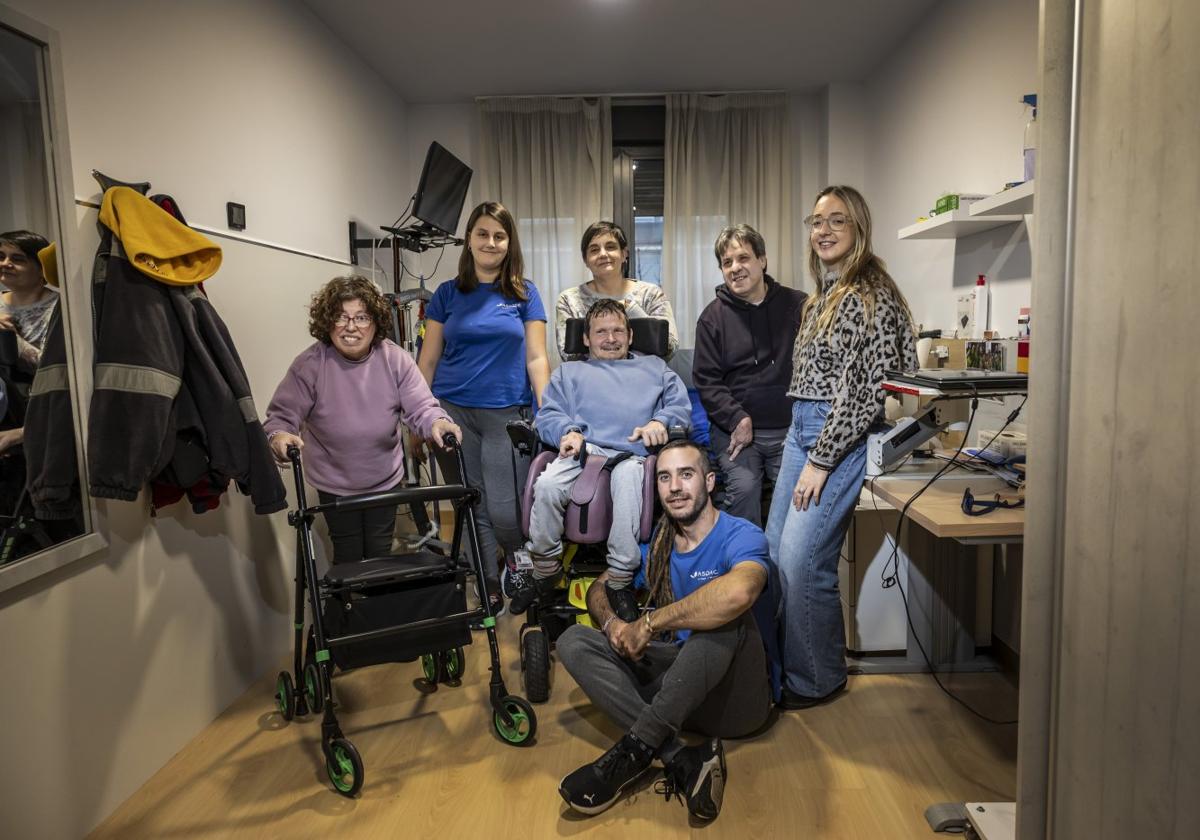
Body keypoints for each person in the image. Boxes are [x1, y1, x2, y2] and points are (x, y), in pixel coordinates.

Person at [555, 439, 778, 823]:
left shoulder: (741, 535)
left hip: (736, 700)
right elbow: (600, 588)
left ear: (708, 481)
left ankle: (636, 748)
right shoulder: (657, 546)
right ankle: (679, 755)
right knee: (572, 640)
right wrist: (614, 625)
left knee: (721, 618)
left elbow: (739, 591)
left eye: (686, 474)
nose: (674, 486)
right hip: (678, 695)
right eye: (664, 477)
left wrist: (649, 623)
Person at [766, 185, 918, 710]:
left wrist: (821, 459)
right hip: (800, 428)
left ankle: (818, 680)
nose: (823, 230)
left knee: (803, 560)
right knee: (773, 551)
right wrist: (802, 445)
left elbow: (862, 391)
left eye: (837, 220)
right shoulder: (823, 296)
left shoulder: (869, 295)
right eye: (816, 221)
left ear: (859, 228)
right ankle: (783, 669)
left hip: (836, 437)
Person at [508, 298, 691, 621]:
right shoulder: (569, 372)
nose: (611, 338)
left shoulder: (655, 368)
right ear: (586, 339)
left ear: (630, 336)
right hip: (582, 451)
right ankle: (546, 567)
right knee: (547, 484)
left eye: (618, 331)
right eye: (601, 332)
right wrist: (568, 432)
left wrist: (659, 422)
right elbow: (549, 414)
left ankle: (620, 580)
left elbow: (679, 407)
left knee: (628, 482)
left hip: (630, 453)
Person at [264, 275, 460, 564]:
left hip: (384, 479)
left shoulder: (395, 359)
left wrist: (438, 423)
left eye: (361, 317)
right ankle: (350, 607)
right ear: (327, 321)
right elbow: (281, 417)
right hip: (335, 484)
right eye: (341, 318)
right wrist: (279, 436)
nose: (351, 327)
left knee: (379, 555)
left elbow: (421, 407)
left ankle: (375, 607)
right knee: (349, 557)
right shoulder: (310, 364)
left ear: (375, 322)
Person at [417, 201, 551, 614]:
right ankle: (488, 586)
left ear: (509, 243)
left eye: (499, 235)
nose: (490, 242)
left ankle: (517, 560)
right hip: (451, 412)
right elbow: (428, 360)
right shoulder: (446, 294)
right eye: (483, 233)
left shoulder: (525, 293)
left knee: (505, 509)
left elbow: (537, 358)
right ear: (469, 240)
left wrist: (546, 412)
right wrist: (417, 418)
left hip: (505, 414)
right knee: (470, 503)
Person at [693, 224, 807, 527]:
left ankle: (785, 571)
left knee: (797, 500)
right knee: (744, 491)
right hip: (737, 434)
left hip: (791, 430)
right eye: (727, 262)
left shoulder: (800, 306)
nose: (735, 268)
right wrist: (737, 418)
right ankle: (746, 569)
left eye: (743, 258)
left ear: (763, 260)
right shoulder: (711, 318)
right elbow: (706, 380)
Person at [555, 220, 678, 362]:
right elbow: (569, 355)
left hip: (643, 379)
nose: (603, 254)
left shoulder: (652, 295)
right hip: (588, 381)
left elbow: (669, 348)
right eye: (594, 250)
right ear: (586, 260)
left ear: (624, 254)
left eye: (610, 247)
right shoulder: (569, 300)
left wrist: (629, 307)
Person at [0, 230, 57, 456]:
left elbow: (54, 369)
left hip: (37, 414)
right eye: (1, 256)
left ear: (41, 268)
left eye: (17, 259)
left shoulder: (59, 309)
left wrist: (11, 341)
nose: (5, 264)